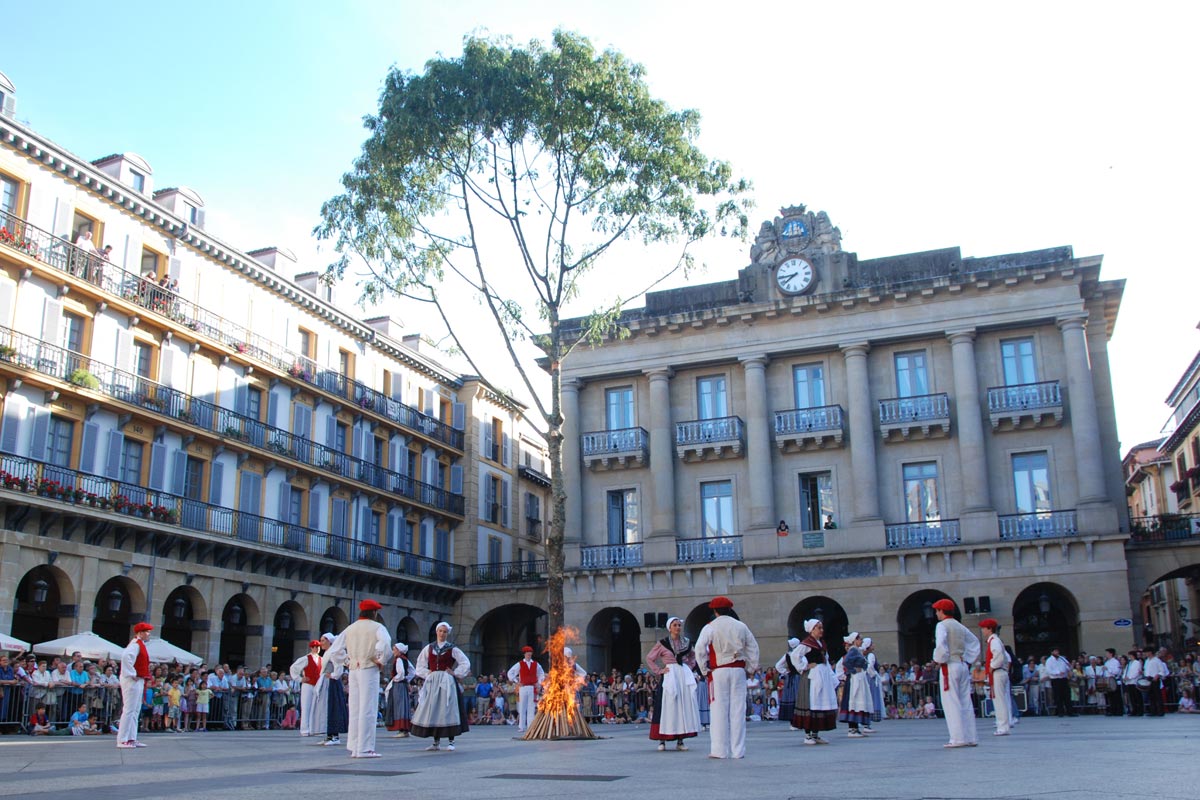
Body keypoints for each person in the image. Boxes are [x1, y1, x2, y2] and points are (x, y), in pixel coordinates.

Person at [324, 598, 391, 758]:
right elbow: (385, 644)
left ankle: (354, 746)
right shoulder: (377, 627)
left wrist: (346, 661)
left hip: (354, 669)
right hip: (369, 668)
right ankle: (365, 747)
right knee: (368, 708)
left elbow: (335, 650)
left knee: (354, 708)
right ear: (374, 612)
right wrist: (381, 660)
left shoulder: (350, 628)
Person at [695, 596, 760, 760]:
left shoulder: (710, 627)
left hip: (719, 671)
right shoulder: (741, 626)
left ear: (714, 611)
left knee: (718, 710)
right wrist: (751, 667)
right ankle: (738, 751)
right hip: (738, 670)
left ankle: (719, 750)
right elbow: (753, 647)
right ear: (730, 609)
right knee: (738, 710)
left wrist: (704, 669)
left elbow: (699, 649)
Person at [644, 616, 701, 751]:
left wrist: (689, 667)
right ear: (669, 628)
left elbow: (693, 655)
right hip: (670, 674)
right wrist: (659, 670)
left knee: (681, 706)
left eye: (679, 625)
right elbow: (650, 658)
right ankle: (662, 740)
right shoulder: (663, 643)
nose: (677, 627)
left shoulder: (686, 642)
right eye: (675, 625)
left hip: (681, 673)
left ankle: (680, 740)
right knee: (667, 705)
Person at [412, 621, 471, 750]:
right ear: (436, 632)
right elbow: (419, 665)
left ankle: (451, 741)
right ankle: (436, 741)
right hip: (433, 681)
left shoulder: (452, 648)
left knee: (448, 708)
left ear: (447, 633)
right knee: (434, 709)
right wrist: (428, 673)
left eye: (445, 632)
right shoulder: (429, 648)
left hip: (446, 681)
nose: (442, 634)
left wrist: (454, 673)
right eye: (440, 631)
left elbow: (465, 663)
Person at [931, 598, 980, 748]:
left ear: (941, 611)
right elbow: (974, 642)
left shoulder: (941, 625)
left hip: (950, 664)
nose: (936, 614)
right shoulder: (960, 626)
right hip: (962, 663)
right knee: (965, 700)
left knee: (951, 702)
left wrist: (940, 659)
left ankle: (957, 738)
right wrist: (969, 658)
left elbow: (941, 645)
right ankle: (970, 736)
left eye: (937, 611)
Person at [788, 618, 839, 744]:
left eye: (822, 627)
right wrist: (804, 667)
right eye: (819, 628)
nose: (821, 630)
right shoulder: (807, 643)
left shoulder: (821, 643)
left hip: (822, 675)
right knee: (810, 703)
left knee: (820, 703)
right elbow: (795, 656)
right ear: (812, 630)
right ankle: (808, 735)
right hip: (812, 676)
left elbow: (825, 659)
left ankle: (815, 734)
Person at [117, 621, 154, 749]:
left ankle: (132, 737)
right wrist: (132, 673)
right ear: (140, 633)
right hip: (132, 680)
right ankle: (122, 739)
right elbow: (126, 657)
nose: (149, 634)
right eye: (147, 632)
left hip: (138, 679)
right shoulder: (135, 644)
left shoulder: (140, 644)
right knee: (129, 709)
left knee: (135, 710)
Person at [979, 619, 1012, 736]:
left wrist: (992, 666)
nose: (982, 630)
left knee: (999, 700)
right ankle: (1003, 725)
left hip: (997, 672)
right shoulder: (994, 640)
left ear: (989, 629)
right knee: (999, 699)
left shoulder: (994, 641)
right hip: (999, 672)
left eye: (983, 628)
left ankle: (1003, 726)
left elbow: (998, 656)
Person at [837, 632, 872, 738]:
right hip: (854, 679)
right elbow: (846, 661)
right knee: (853, 702)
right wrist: (853, 671)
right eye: (860, 639)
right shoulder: (853, 650)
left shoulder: (857, 650)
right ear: (855, 641)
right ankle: (852, 729)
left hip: (859, 677)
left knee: (856, 703)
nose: (861, 641)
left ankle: (855, 728)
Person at [289, 640, 325, 737]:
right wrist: (300, 679)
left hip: (317, 685)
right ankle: (305, 729)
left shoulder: (322, 659)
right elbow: (294, 668)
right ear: (311, 648)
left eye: (318, 647)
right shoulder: (306, 658)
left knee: (316, 707)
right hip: (308, 684)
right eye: (314, 647)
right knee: (306, 707)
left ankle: (314, 728)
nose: (316, 648)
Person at [507, 645, 545, 733]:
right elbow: (510, 672)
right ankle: (521, 726)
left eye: (530, 654)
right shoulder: (520, 664)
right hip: (523, 687)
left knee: (531, 707)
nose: (529, 656)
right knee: (522, 707)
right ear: (524, 654)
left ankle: (530, 726)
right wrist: (516, 681)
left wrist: (539, 683)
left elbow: (541, 674)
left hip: (532, 687)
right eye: (527, 654)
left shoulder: (536, 664)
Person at [321, 632, 348, 746]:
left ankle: (335, 735)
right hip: (328, 681)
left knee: (334, 707)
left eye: (323, 640)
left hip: (333, 682)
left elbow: (339, 667)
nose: (321, 643)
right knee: (328, 708)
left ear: (329, 641)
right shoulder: (328, 652)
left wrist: (333, 675)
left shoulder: (334, 652)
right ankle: (329, 734)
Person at [386, 643, 416, 737]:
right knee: (403, 705)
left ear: (399, 650)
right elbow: (413, 671)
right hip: (403, 685)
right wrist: (407, 678)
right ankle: (405, 729)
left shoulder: (399, 659)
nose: (393, 651)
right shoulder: (405, 659)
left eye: (394, 649)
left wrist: (397, 678)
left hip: (398, 685)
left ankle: (402, 729)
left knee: (399, 705)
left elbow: (401, 672)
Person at [774, 637, 802, 728]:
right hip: (799, 678)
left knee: (790, 697)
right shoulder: (800, 654)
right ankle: (799, 721)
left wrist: (785, 672)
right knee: (799, 698)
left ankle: (792, 722)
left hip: (790, 678)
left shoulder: (788, 655)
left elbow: (778, 666)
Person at [1045, 648, 1074, 717]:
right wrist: (1057, 673)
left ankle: (1070, 711)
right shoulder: (1049, 660)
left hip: (1063, 679)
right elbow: (1049, 671)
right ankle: (1060, 712)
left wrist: (1069, 667)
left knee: (1067, 695)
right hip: (1056, 679)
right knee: (1058, 696)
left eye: (1057, 651)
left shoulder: (1062, 658)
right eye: (1055, 651)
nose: (1057, 652)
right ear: (1052, 652)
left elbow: (1067, 666)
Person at [1143, 648, 1169, 717]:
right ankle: (1153, 710)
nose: (1145, 654)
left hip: (1155, 679)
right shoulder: (1147, 661)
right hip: (1148, 679)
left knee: (1157, 696)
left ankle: (1160, 711)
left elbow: (1162, 670)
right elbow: (1146, 670)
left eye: (1146, 652)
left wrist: (1157, 675)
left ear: (1150, 652)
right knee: (1151, 696)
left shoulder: (1157, 660)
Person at [863, 638, 883, 729]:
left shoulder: (866, 655)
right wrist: (874, 675)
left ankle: (867, 722)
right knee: (872, 698)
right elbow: (870, 666)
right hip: (871, 679)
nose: (874, 645)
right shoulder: (871, 655)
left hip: (867, 678)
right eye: (872, 644)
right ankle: (869, 721)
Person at [1102, 648, 1124, 716]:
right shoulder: (1107, 662)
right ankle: (1113, 710)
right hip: (1108, 680)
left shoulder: (1115, 662)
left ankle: (1119, 710)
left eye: (1107, 653)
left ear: (1111, 654)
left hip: (1113, 680)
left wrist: (1108, 669)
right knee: (1110, 696)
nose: (1106, 654)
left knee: (1116, 696)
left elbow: (1116, 672)